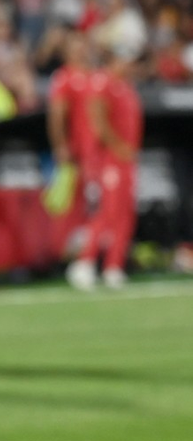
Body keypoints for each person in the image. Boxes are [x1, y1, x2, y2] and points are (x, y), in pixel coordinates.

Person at [71, 46, 143, 289]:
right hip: (110, 159)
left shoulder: (126, 86)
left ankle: (114, 265)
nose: (130, 66)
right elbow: (98, 122)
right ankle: (85, 262)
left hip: (126, 160)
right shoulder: (102, 83)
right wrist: (118, 147)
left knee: (125, 214)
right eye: (126, 61)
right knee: (107, 212)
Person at [47, 30, 102, 270]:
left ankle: (93, 254)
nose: (81, 50)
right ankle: (71, 257)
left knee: (99, 205)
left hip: (100, 152)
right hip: (79, 153)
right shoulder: (64, 77)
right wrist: (60, 145)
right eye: (75, 46)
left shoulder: (96, 76)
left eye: (83, 45)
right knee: (77, 207)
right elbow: (57, 115)